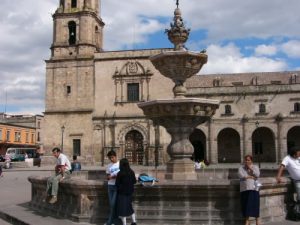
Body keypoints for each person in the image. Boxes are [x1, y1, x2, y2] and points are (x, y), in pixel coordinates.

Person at [238, 155, 260, 225]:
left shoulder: (255, 167)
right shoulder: (241, 168)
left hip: (253, 188)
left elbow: (257, 175)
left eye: (248, 160)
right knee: (246, 204)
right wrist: (249, 176)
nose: (247, 161)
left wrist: (251, 169)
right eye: (246, 160)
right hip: (244, 188)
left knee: (255, 204)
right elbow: (240, 175)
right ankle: (247, 220)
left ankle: (257, 220)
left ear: (251, 160)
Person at [115, 158, 137, 225]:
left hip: (122, 193)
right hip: (130, 192)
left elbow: (117, 184)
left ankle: (124, 224)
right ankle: (134, 222)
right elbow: (134, 181)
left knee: (122, 209)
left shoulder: (120, 173)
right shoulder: (131, 171)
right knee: (129, 207)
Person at [105, 150, 120, 225]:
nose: (111, 159)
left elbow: (122, 175)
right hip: (110, 186)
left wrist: (113, 176)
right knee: (112, 204)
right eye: (110, 158)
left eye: (112, 157)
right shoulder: (108, 166)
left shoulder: (120, 164)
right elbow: (107, 176)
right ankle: (115, 221)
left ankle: (110, 221)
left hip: (117, 186)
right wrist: (109, 177)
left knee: (113, 204)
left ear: (115, 156)